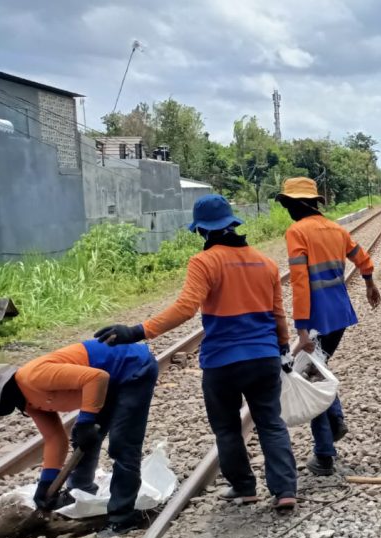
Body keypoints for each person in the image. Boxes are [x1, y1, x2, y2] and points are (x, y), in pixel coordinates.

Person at [94, 194, 298, 511]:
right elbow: (278, 313)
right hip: (264, 357)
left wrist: (136, 331)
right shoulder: (266, 263)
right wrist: (283, 346)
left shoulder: (204, 262)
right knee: (271, 422)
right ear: (232, 223)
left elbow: (185, 308)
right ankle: (285, 490)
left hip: (222, 363)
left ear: (202, 230)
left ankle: (244, 487)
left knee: (227, 427)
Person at [276, 176, 381, 476]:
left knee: (311, 376)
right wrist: (369, 283)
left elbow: (300, 283)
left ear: (298, 205)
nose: (287, 210)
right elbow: (363, 259)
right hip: (339, 315)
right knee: (316, 369)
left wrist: (301, 330)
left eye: (288, 204)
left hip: (317, 317)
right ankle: (334, 420)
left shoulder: (297, 232)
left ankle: (324, 453)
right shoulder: (336, 229)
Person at [0, 342, 158, 537]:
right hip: (104, 385)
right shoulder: (27, 402)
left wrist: (86, 420)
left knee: (122, 443)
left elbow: (97, 377)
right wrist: (46, 484)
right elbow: (55, 439)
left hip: (132, 367)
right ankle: (80, 491)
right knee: (82, 438)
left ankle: (122, 518)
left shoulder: (34, 376)